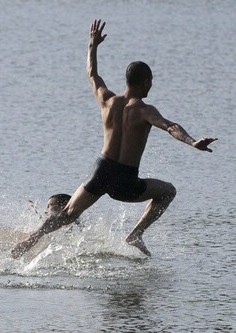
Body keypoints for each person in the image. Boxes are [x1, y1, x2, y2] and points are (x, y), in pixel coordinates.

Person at [11, 19, 217, 259]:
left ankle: (30, 241)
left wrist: (92, 45)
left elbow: (92, 73)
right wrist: (192, 142)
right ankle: (136, 235)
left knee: (67, 214)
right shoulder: (144, 110)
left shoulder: (107, 100)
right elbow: (170, 127)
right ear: (144, 82)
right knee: (168, 191)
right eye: (150, 82)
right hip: (125, 181)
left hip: (101, 169)